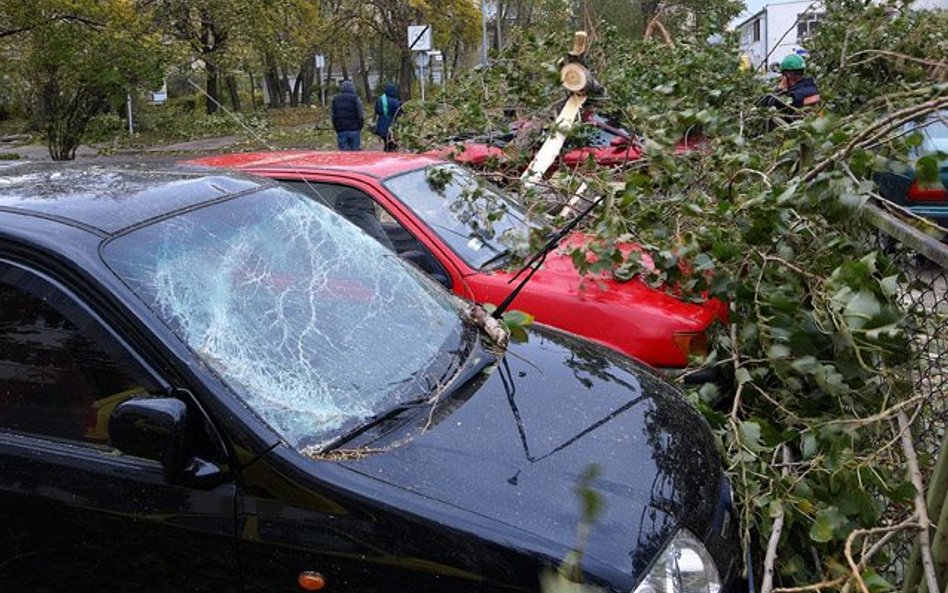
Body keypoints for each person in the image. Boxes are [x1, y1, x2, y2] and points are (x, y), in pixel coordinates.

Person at [331, 80, 364, 151]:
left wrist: (336, 127)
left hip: (341, 129)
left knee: (344, 154)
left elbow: (333, 115)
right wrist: (360, 126)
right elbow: (360, 114)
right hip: (354, 129)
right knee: (355, 153)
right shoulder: (355, 98)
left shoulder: (336, 99)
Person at [374, 83, 402, 152]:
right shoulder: (396, 102)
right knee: (392, 141)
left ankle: (386, 152)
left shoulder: (380, 99)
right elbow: (399, 113)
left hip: (382, 124)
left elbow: (377, 110)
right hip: (392, 125)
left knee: (386, 142)